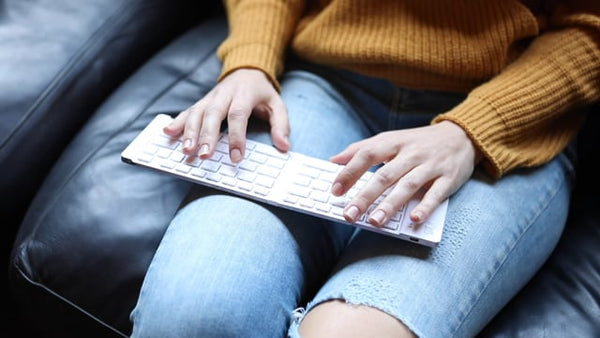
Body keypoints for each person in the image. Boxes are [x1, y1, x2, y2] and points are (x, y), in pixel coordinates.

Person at [129, 1, 600, 337]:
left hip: (503, 124)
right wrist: (249, 60)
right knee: (190, 319)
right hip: (329, 79)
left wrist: (472, 131)